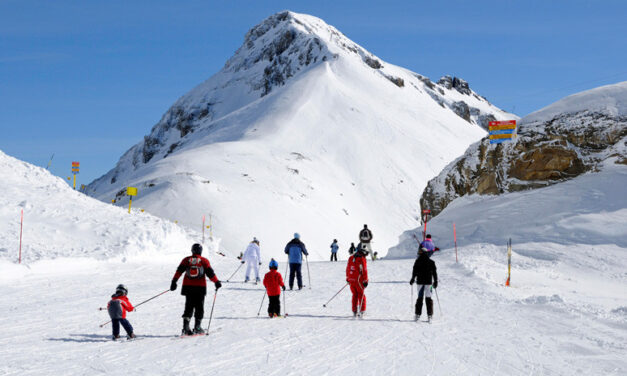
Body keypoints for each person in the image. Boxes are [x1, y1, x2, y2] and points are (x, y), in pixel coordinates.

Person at [170, 243, 222, 335]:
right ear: (201, 251)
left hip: (188, 287)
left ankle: (186, 328)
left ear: (192, 250)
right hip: (200, 287)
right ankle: (197, 327)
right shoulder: (204, 261)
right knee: (199, 307)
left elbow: (179, 271)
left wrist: (174, 281)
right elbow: (210, 273)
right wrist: (216, 282)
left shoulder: (186, 260)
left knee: (188, 306)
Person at [409, 247, 438, 322]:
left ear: (421, 252)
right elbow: (434, 273)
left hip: (420, 282)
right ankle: (430, 316)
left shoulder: (417, 261)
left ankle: (417, 315)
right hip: (429, 283)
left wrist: (412, 279)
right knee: (428, 298)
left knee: (420, 298)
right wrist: (435, 281)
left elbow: (414, 271)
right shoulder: (431, 262)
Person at [346, 244, 369, 317]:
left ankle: (354, 311)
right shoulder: (362, 259)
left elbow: (348, 269)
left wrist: (348, 278)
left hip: (351, 279)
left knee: (354, 295)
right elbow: (364, 271)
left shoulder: (351, 258)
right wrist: (365, 281)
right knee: (361, 295)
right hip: (359, 280)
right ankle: (362, 311)